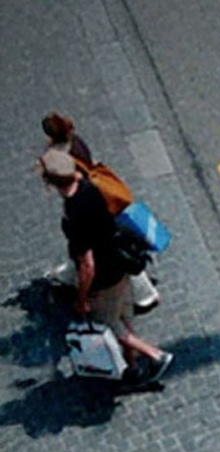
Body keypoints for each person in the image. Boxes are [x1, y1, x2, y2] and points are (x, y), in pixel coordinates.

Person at [38, 148, 170, 382]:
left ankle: (154, 355)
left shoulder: (74, 212)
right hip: (119, 263)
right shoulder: (90, 187)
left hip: (103, 277)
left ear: (51, 182)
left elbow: (86, 265)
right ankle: (133, 364)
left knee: (107, 322)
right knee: (122, 313)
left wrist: (81, 299)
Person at [42, 113, 160, 313]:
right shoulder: (76, 141)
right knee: (116, 249)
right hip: (102, 198)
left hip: (100, 205)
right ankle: (69, 275)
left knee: (117, 252)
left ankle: (145, 294)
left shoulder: (64, 158)